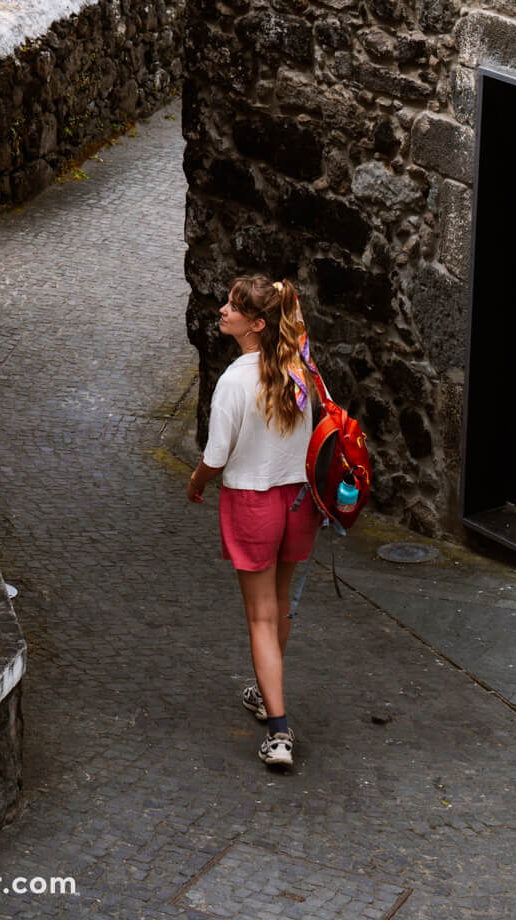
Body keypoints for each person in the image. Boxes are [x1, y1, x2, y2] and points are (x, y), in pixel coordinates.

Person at [186, 274, 319, 771]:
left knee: (260, 616)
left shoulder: (235, 382)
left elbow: (216, 456)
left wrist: (196, 482)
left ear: (256, 324)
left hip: (254, 503)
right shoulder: (301, 370)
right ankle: (267, 696)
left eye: (234, 306)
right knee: (280, 604)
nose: (222, 310)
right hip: (299, 500)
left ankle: (279, 732)